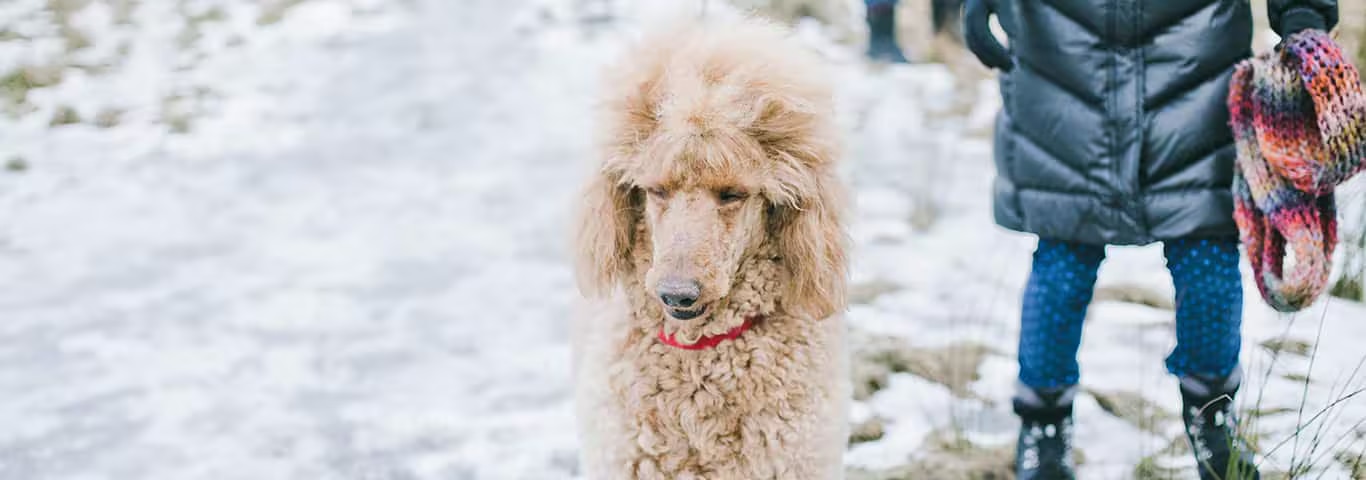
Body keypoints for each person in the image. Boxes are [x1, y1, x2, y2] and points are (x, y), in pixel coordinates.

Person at [960, 0, 1340, 479]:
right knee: (1063, 260)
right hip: (1063, 64)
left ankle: (1212, 417)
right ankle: (1044, 425)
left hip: (1195, 72)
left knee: (1207, 260)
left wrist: (1302, 13)